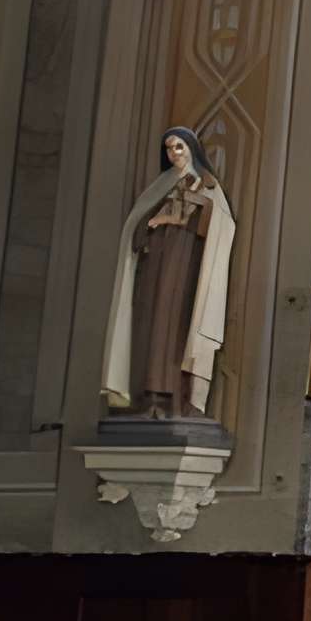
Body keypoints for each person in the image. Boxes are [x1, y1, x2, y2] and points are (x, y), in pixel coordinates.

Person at [102, 128, 237, 421]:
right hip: (155, 266)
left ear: (191, 149)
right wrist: (149, 228)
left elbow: (222, 224)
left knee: (173, 330)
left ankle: (171, 399)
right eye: (168, 148)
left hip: (185, 266)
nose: (174, 153)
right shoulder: (161, 184)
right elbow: (139, 222)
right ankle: (144, 397)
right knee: (149, 327)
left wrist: (197, 207)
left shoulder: (207, 185)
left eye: (179, 146)